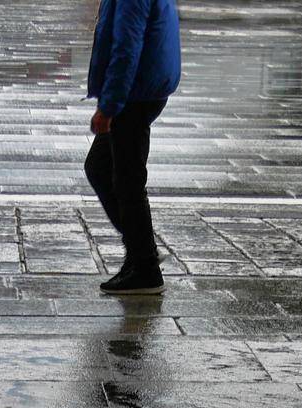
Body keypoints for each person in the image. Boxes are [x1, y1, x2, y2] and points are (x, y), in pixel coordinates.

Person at [84, 0, 181, 296]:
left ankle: (146, 268)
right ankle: (142, 251)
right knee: (100, 167)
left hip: (136, 91)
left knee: (127, 179)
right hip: (143, 85)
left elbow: (128, 44)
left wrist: (109, 106)